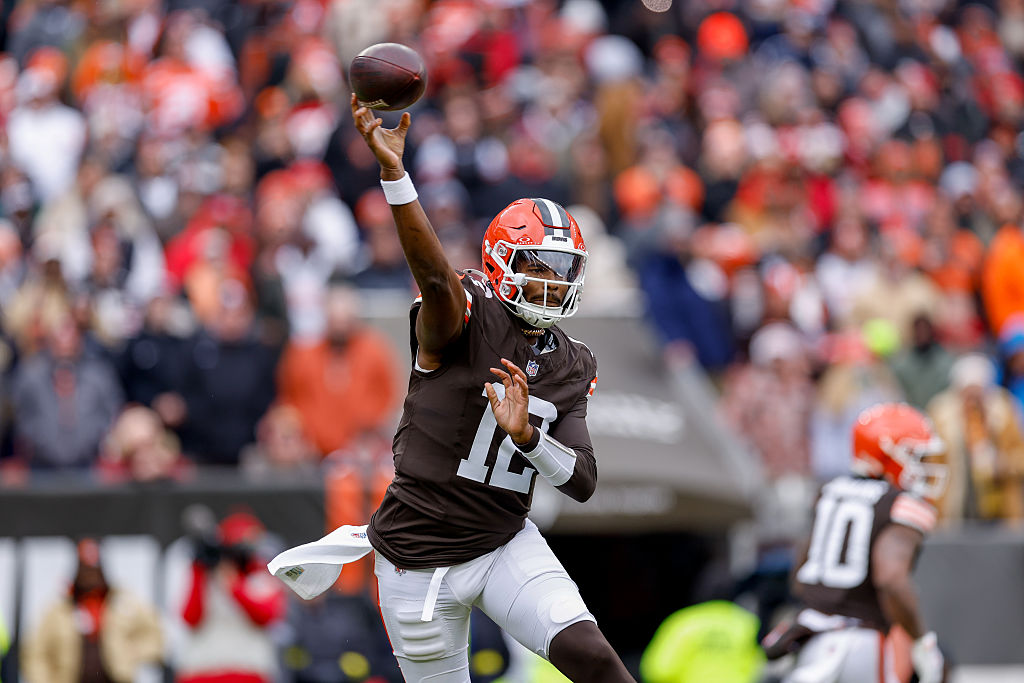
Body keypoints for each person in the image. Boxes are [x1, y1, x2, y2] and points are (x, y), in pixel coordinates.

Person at [273, 95, 632, 683]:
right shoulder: (464, 313)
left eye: (562, 270)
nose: (552, 283)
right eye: (539, 265)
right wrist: (395, 175)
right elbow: (436, 277)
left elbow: (583, 480)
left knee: (595, 658)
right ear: (500, 260)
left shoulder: (571, 361)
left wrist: (529, 435)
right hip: (415, 559)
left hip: (502, 544)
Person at [763, 403, 949, 683]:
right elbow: (891, 579)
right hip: (862, 641)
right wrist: (921, 641)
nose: (921, 467)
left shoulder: (829, 492)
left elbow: (801, 574)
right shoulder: (902, 504)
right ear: (885, 453)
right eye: (914, 455)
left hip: (813, 635)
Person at [20, 538, 164, 683]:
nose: (90, 577)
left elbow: (156, 637)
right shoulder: (57, 611)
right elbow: (35, 653)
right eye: (85, 570)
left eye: (94, 570)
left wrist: (130, 654)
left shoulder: (124, 603)